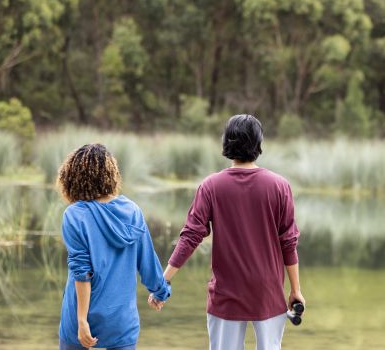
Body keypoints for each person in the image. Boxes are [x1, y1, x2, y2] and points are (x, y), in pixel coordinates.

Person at [150, 114, 304, 350]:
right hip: (268, 293)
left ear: (226, 143)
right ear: (258, 144)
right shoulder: (279, 186)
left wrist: (163, 282)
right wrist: (295, 290)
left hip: (226, 295)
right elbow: (289, 243)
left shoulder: (210, 186)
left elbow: (190, 237)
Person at [57, 143, 171, 350]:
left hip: (79, 316)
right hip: (121, 321)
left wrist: (82, 321)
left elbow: (81, 272)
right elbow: (147, 261)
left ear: (73, 176)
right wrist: (160, 291)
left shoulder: (75, 215)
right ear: (111, 174)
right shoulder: (132, 211)